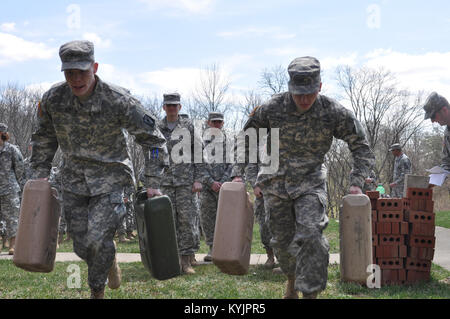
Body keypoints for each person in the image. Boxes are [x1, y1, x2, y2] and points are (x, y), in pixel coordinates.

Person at [30, 40, 167, 299]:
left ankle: (97, 291)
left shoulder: (118, 101)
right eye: (70, 72)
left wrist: (153, 181)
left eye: (82, 71)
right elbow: (43, 138)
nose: (76, 78)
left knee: (97, 237)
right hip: (73, 180)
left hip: (111, 180)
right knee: (82, 244)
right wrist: (39, 173)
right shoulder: (53, 99)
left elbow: (154, 141)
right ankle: (109, 257)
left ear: (95, 67)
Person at [230, 56, 375, 299]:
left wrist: (356, 182)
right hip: (275, 183)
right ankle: (291, 279)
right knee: (282, 243)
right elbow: (247, 138)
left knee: (311, 236)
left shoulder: (332, 112)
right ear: (289, 88)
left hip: (310, 182)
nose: (304, 100)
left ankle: (310, 293)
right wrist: (238, 173)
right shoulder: (272, 108)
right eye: (299, 94)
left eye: (309, 93)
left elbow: (360, 145)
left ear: (319, 86)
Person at [157, 92, 203, 274]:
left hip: (186, 182)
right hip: (166, 182)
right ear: (164, 107)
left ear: (180, 107)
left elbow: (199, 153)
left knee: (187, 220)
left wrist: (198, 179)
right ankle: (174, 258)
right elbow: (153, 153)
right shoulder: (158, 127)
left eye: (175, 105)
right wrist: (153, 179)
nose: (172, 109)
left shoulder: (188, 126)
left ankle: (186, 260)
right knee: (169, 222)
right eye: (169, 105)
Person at [422, 92, 450, 285]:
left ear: (444, 110)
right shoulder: (447, 132)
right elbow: (447, 162)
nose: (433, 121)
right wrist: (434, 179)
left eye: (434, 116)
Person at [199, 112, 233, 262]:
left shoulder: (229, 142)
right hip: (207, 188)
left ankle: (226, 248)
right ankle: (212, 248)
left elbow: (233, 164)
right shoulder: (201, 142)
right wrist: (210, 182)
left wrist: (223, 181)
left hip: (225, 188)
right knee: (208, 219)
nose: (217, 125)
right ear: (208, 123)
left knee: (226, 218)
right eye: (214, 122)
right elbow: (198, 165)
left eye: (220, 122)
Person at [0, 123, 25, 255]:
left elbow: (20, 167)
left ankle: (12, 245)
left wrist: (13, 181)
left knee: (12, 218)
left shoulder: (11, 150)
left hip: (9, 189)